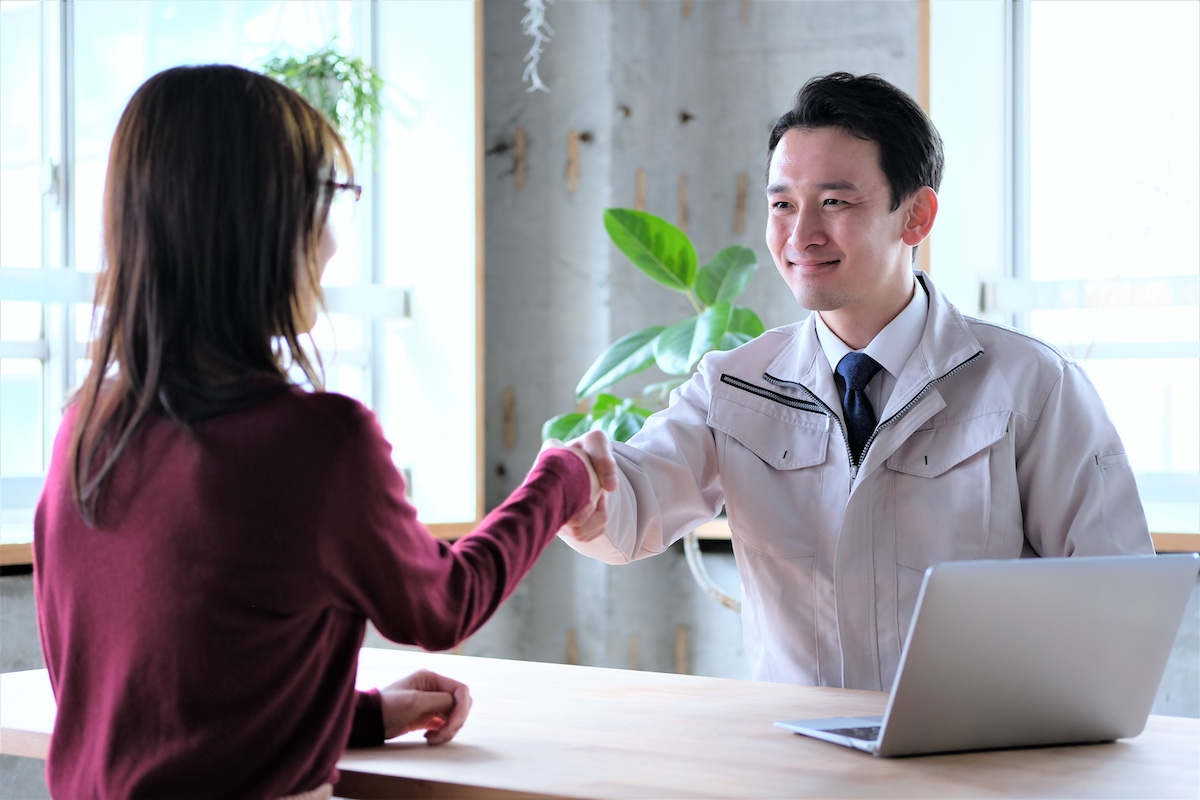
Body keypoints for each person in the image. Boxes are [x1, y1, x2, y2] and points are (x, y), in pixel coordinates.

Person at [33, 64, 616, 800]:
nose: (333, 244)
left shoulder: (83, 431)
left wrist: (363, 717)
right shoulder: (316, 444)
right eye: (320, 199)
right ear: (255, 222)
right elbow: (445, 605)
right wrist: (564, 475)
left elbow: (155, 702)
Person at [559, 71, 1153, 691]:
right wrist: (590, 501)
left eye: (835, 202)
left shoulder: (1032, 384)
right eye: (782, 204)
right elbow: (634, 506)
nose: (801, 235)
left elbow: (1117, 593)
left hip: (971, 764)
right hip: (795, 763)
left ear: (916, 216)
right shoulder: (732, 386)